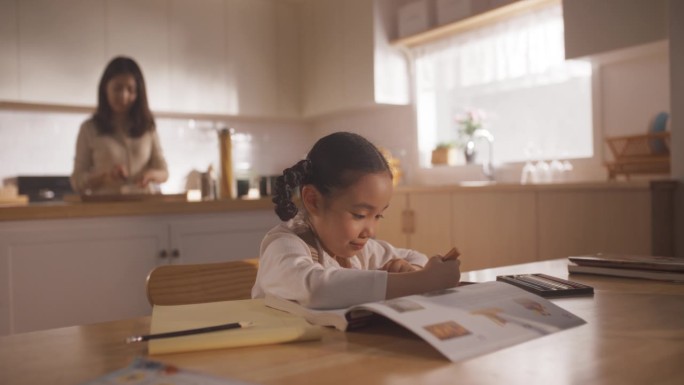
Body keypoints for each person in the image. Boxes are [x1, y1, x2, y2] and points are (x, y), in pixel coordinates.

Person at [252, 132, 461, 309]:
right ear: (313, 200)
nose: (369, 231)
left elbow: (416, 257)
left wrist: (408, 271)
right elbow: (317, 289)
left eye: (378, 216)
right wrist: (420, 282)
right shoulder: (283, 246)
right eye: (360, 215)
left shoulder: (362, 252)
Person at [71, 56, 168, 195]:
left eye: (130, 90)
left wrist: (149, 175)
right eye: (117, 88)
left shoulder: (147, 127)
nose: (123, 96)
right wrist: (104, 177)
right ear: (105, 88)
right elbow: (77, 181)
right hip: (107, 210)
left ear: (138, 93)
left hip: (145, 208)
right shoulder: (89, 128)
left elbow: (164, 173)